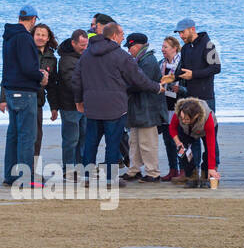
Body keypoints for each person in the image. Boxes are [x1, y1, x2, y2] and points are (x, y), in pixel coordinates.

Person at [72, 22, 167, 183]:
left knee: (90, 143)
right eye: (122, 35)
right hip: (115, 108)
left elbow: (76, 80)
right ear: (114, 35)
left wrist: (78, 100)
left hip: (93, 106)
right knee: (112, 144)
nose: (123, 38)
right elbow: (139, 79)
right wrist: (157, 87)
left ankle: (86, 177)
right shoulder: (121, 55)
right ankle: (110, 179)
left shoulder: (86, 54)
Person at [0, 6, 47, 186]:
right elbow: (28, 68)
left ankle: (10, 175)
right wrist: (41, 75)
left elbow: (9, 66)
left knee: (13, 135)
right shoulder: (25, 38)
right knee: (27, 136)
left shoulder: (9, 36)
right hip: (25, 91)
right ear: (33, 19)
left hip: (11, 90)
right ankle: (26, 178)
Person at [173, 19, 221, 166]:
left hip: (206, 98)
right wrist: (171, 77)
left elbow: (216, 68)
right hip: (190, 99)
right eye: (179, 33)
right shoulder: (186, 48)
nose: (181, 35)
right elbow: (182, 70)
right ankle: (192, 172)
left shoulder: (208, 45)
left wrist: (194, 75)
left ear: (192, 29)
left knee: (209, 137)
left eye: (183, 32)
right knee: (190, 137)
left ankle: (211, 170)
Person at [123, 33, 166, 182]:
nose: (129, 51)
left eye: (130, 47)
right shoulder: (141, 59)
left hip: (147, 108)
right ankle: (134, 170)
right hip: (138, 108)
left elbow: (141, 84)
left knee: (147, 143)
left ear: (137, 46)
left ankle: (153, 172)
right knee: (134, 141)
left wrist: (123, 87)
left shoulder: (148, 61)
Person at [56, 28, 88, 174]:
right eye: (81, 45)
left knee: (83, 138)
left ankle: (79, 166)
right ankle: (68, 168)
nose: (84, 48)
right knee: (71, 139)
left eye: (86, 44)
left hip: (84, 104)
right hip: (69, 105)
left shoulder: (83, 56)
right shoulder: (66, 59)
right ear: (73, 43)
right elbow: (71, 83)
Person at [169, 96, 219, 189]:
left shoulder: (208, 119)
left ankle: (206, 176)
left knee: (210, 151)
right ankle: (192, 176)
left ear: (196, 116)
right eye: (182, 118)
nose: (183, 121)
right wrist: (178, 143)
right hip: (186, 131)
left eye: (187, 119)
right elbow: (172, 128)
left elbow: (211, 146)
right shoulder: (180, 112)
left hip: (204, 128)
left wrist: (211, 168)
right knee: (183, 152)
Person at [31, 23, 58, 170]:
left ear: (48, 38)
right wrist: (4, 100)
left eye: (43, 35)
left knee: (37, 136)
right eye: (38, 34)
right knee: (23, 135)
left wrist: (54, 107)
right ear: (33, 35)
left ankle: (33, 168)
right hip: (23, 99)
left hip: (39, 101)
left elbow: (52, 85)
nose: (40, 37)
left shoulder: (52, 58)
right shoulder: (27, 52)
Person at [159, 36, 183, 180]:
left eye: (165, 47)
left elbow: (187, 82)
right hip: (165, 104)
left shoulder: (181, 63)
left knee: (179, 139)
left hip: (178, 104)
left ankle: (184, 169)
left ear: (174, 48)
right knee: (168, 139)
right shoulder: (161, 64)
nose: (163, 50)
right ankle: (172, 169)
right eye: (162, 47)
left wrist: (179, 87)